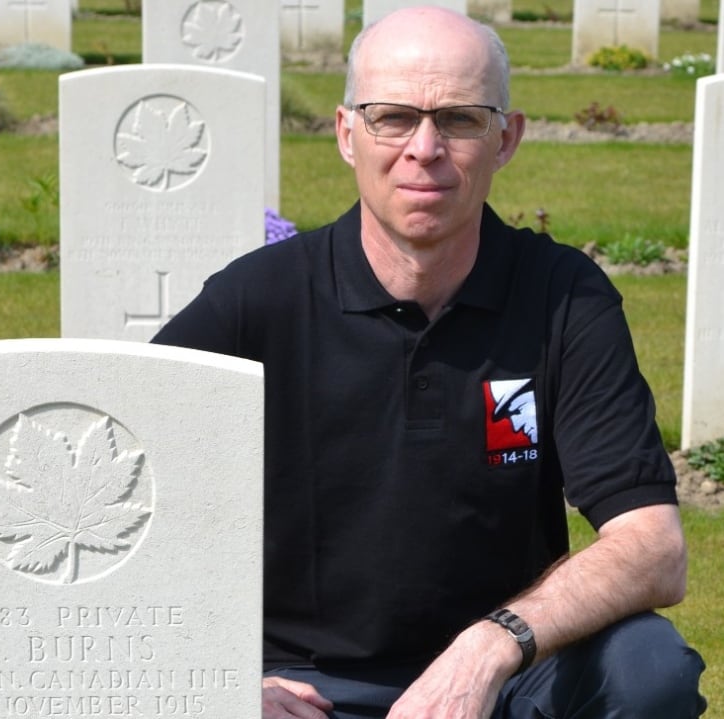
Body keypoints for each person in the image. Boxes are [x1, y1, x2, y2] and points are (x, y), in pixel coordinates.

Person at [153, 6, 706, 718]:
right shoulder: (256, 301)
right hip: (304, 685)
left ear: (507, 138)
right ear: (346, 133)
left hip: (504, 674)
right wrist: (220, 678)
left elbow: (654, 546)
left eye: (460, 119)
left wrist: (490, 646)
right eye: (393, 117)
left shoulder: (562, 296)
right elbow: (126, 501)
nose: (425, 147)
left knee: (647, 667)